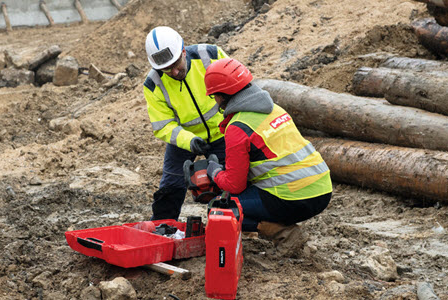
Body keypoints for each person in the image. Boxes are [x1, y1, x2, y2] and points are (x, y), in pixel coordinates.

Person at [203, 58, 333, 256]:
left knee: (219, 209)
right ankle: (277, 224)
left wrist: (214, 171)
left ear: (222, 96)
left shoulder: (238, 127)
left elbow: (234, 184)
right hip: (322, 189)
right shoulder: (274, 109)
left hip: (295, 197)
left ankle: (284, 234)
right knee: (245, 196)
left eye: (214, 96)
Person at [143, 26, 229, 220]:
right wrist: (189, 140)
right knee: (171, 185)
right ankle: (162, 228)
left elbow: (237, 90)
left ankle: (230, 226)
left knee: (230, 182)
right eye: (166, 69)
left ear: (183, 51)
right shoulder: (153, 83)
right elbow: (163, 125)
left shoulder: (210, 55)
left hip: (223, 131)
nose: (173, 72)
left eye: (176, 64)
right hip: (184, 137)